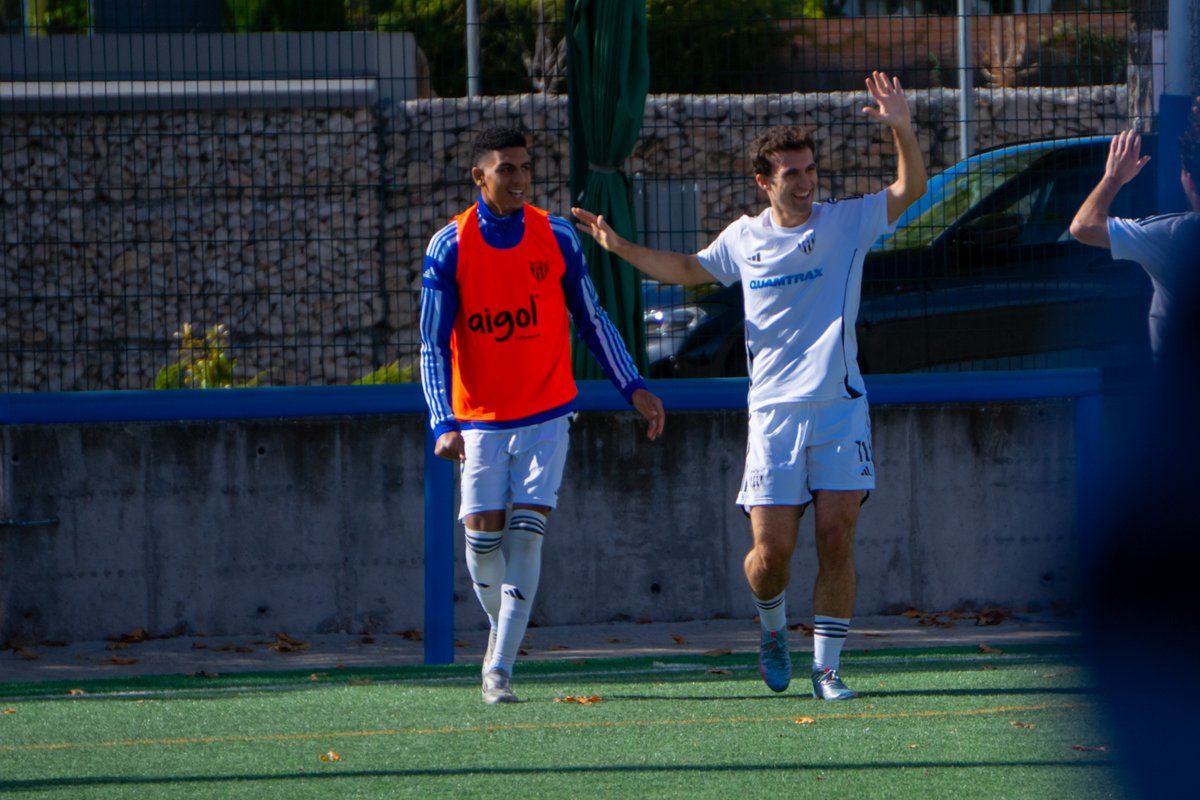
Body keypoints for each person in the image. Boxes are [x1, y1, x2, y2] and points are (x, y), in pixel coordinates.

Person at [574, 71, 927, 701]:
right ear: (764, 182)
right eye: (791, 173)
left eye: (810, 169)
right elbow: (687, 270)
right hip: (772, 416)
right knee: (772, 555)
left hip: (841, 410)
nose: (806, 180)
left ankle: (827, 669)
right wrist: (618, 245)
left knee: (837, 536)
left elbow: (911, 188)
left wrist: (902, 127)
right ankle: (771, 628)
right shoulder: (744, 237)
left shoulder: (847, 223)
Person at [419, 126, 665, 705]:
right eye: (507, 169)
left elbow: (593, 317)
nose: (521, 178)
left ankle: (499, 667)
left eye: (526, 167)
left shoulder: (555, 236)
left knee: (527, 538)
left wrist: (632, 385)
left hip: (548, 412)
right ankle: (501, 637)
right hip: (479, 419)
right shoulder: (448, 245)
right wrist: (442, 420)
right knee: (482, 544)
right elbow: (431, 343)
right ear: (479, 177)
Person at [1069, 124, 1200, 368]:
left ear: (1188, 180)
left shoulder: (1173, 236)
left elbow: (1083, 226)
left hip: (1184, 395)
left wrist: (1113, 178)